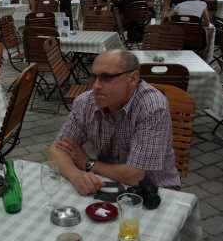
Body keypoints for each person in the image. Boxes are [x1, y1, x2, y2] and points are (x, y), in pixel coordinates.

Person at [48, 49, 181, 196]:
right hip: (107, 185)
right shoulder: (86, 102)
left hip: (156, 192)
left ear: (132, 79)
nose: (96, 86)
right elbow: (56, 150)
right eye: (94, 77)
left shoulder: (152, 107)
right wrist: (76, 176)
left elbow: (135, 176)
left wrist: (88, 163)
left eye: (106, 77)